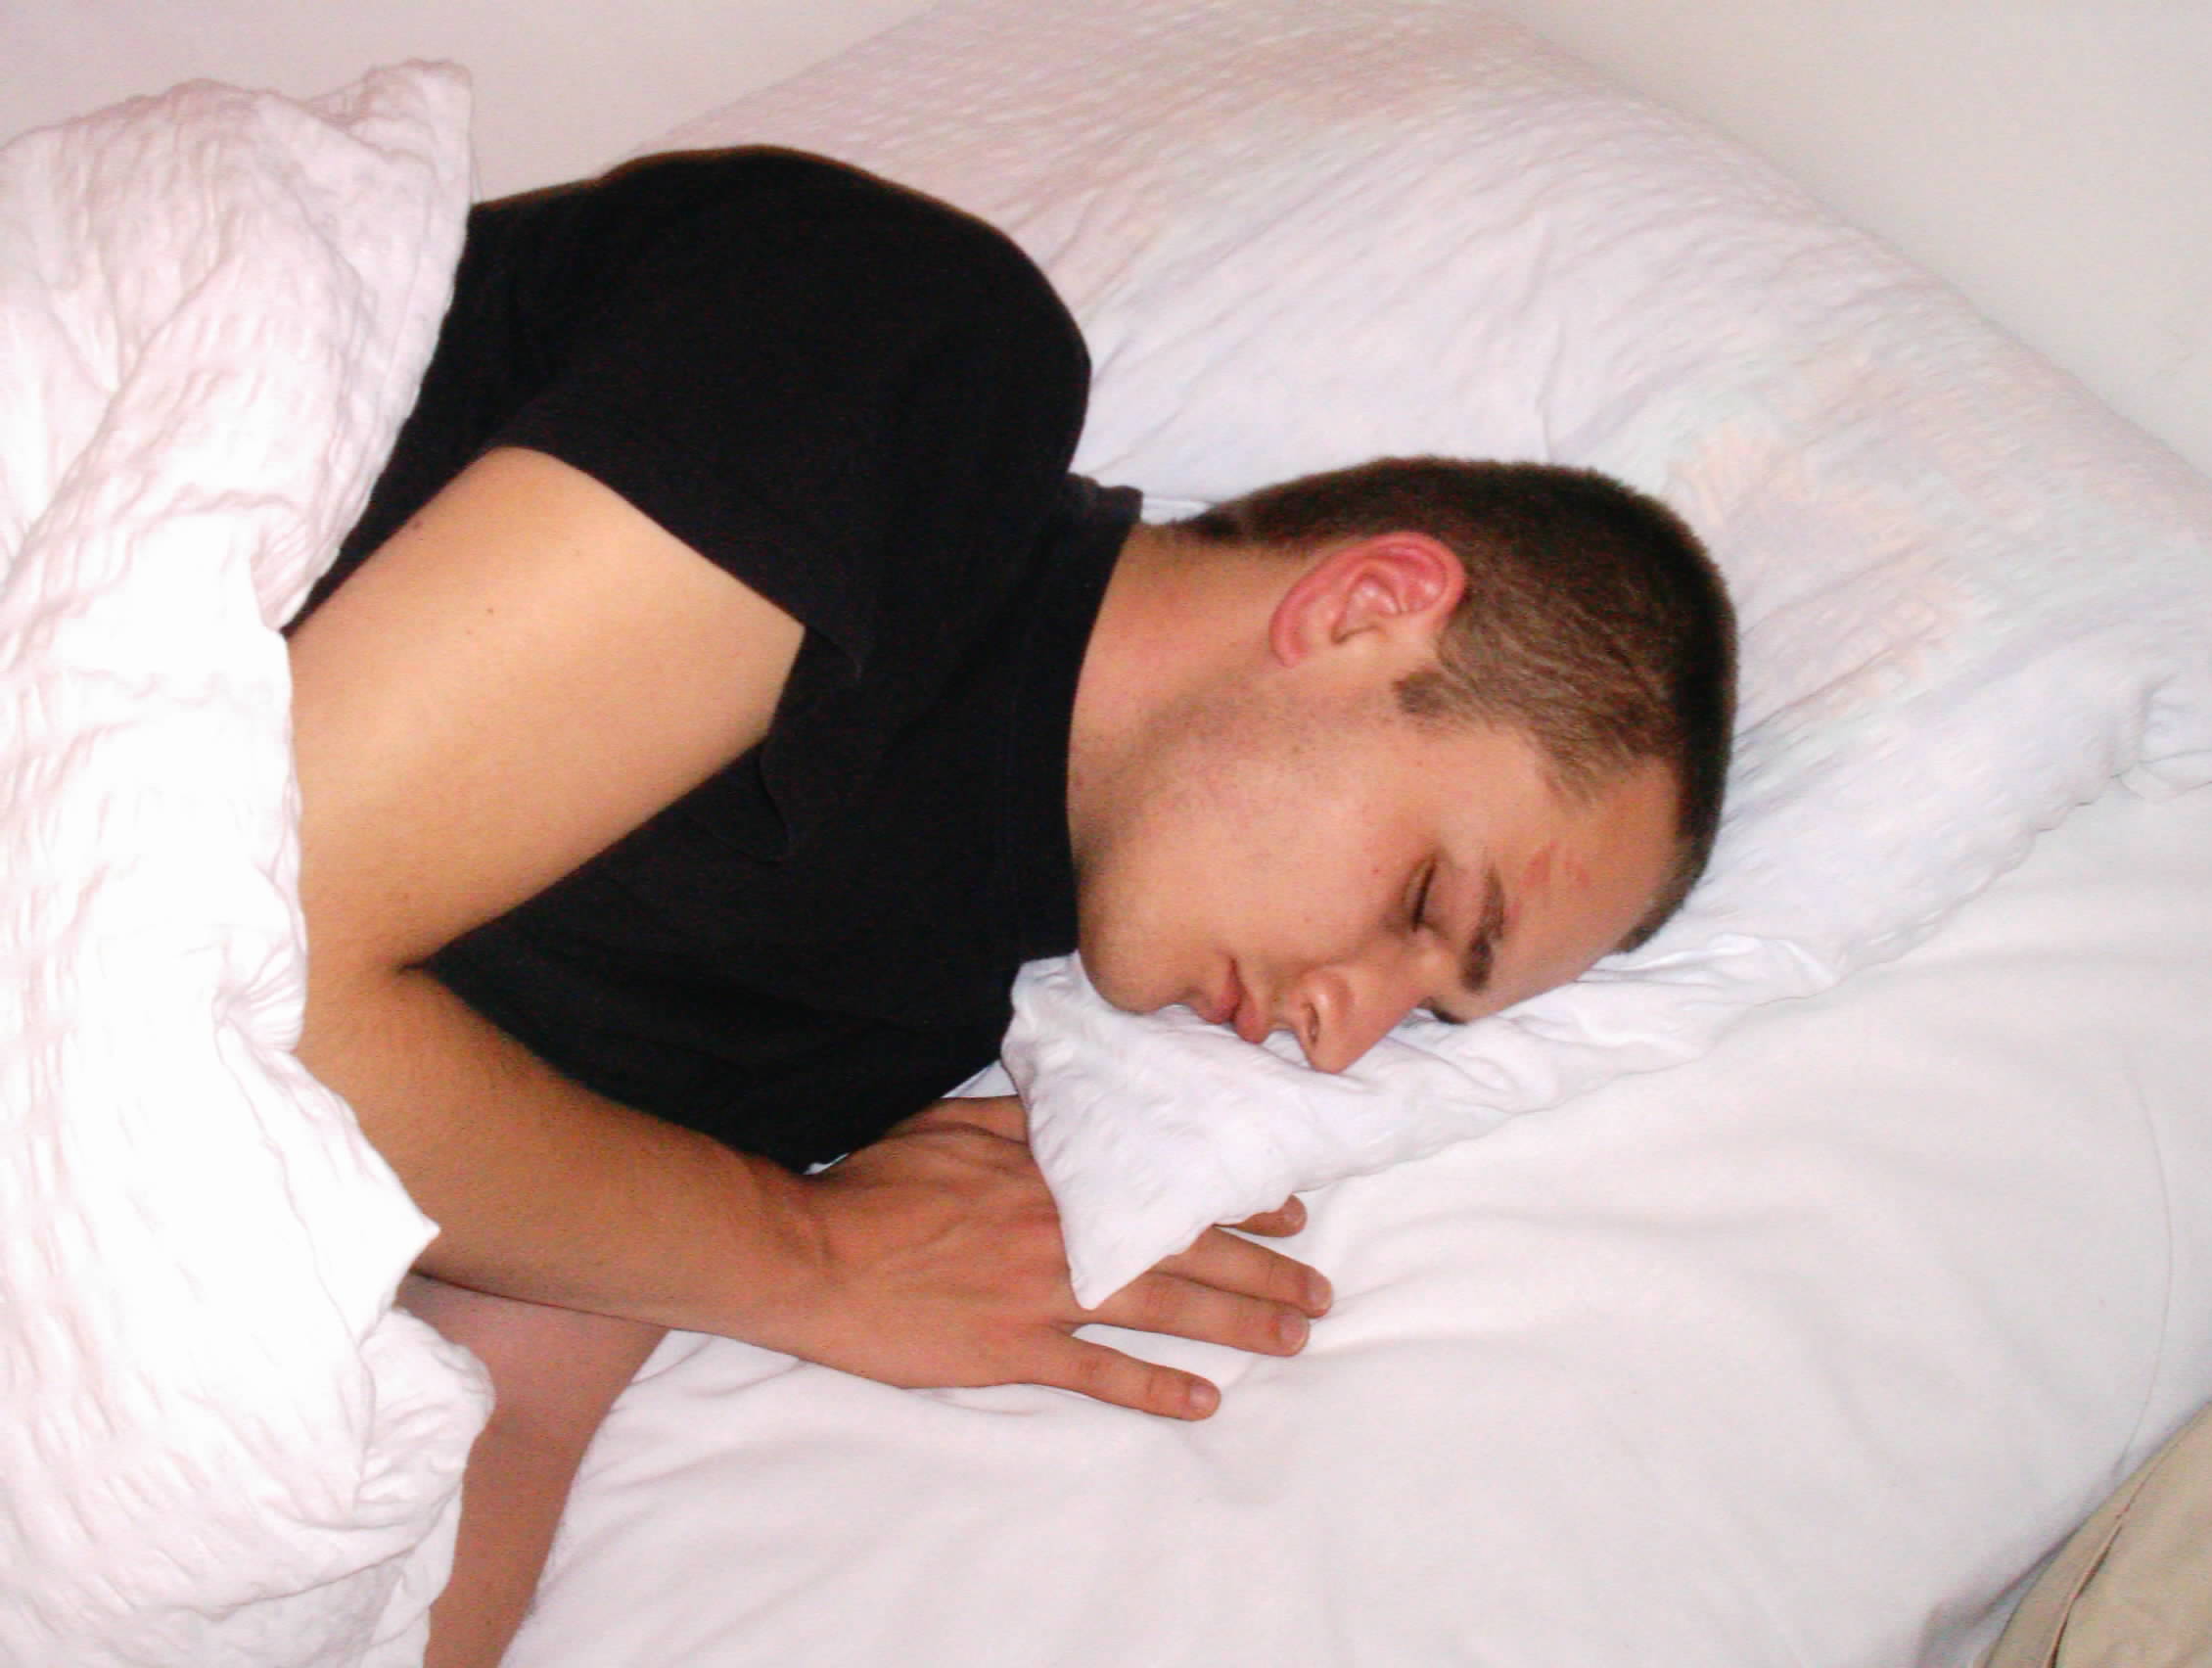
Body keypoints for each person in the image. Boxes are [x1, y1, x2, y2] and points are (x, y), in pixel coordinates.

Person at [286, 147, 1735, 1666]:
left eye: (1428, 1010)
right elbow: (232, 932)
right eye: (1427, 900)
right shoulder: (917, 359)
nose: (1342, 1034)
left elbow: (510, 1395)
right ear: (1362, 611)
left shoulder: (914, 1022)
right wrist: (810, 1262)